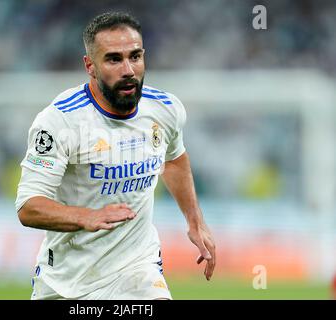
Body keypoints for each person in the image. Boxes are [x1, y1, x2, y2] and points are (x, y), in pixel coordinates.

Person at [15, 11, 216, 300]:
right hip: (66, 282)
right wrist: (88, 217)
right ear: (90, 66)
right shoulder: (60, 121)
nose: (128, 70)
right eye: (114, 59)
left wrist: (195, 222)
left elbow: (173, 159)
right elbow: (28, 206)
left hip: (138, 270)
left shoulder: (165, 110)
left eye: (135, 56)